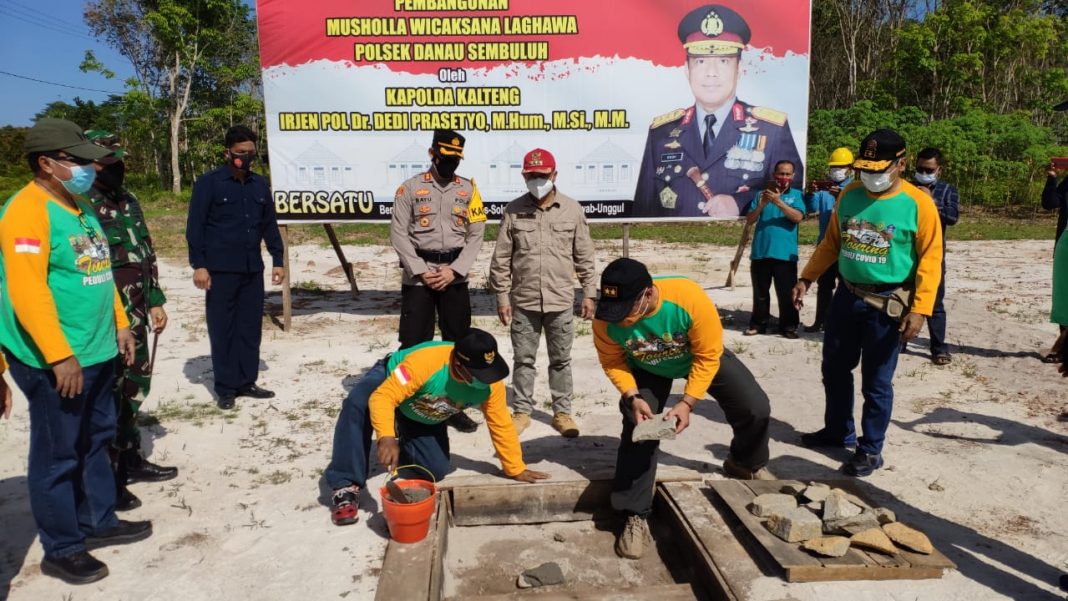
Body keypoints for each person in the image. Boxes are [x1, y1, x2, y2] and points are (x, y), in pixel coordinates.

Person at [0, 118, 152, 584]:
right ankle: (62, 546)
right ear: (46, 163)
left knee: (97, 436)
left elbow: (98, 272)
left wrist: (122, 325)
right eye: (78, 159)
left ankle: (98, 521)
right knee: (58, 452)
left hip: (97, 349)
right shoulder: (26, 211)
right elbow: (27, 292)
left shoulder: (78, 204)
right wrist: (59, 355)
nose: (89, 166)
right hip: (55, 360)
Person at [593, 258, 773, 559]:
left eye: (627, 309)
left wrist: (688, 401)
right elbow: (612, 361)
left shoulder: (688, 298)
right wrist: (632, 395)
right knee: (641, 426)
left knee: (754, 407)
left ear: (648, 294)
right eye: (616, 311)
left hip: (696, 358)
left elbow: (707, 355)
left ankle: (745, 462)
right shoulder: (605, 319)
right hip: (646, 366)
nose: (621, 320)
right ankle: (633, 513)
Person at [792, 129, 943, 478]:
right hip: (846, 296)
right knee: (834, 368)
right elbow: (831, 243)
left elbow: (931, 261)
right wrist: (806, 278)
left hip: (886, 304)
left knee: (876, 381)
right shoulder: (850, 193)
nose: (871, 175)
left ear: (901, 164)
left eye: (879, 168)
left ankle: (870, 448)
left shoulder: (919, 204)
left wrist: (920, 309)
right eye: (866, 168)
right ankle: (837, 430)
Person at [324, 329, 550, 526]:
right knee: (358, 404)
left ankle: (405, 429)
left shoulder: (490, 384)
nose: (486, 380)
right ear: (457, 363)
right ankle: (346, 483)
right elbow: (383, 397)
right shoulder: (425, 362)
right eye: (478, 375)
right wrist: (385, 437)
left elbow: (500, 423)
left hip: (423, 408)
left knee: (435, 470)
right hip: (392, 380)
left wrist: (515, 468)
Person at [633, 4, 803, 218]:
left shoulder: (773, 130)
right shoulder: (661, 133)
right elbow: (642, 212)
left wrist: (741, 202)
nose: (711, 73)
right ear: (687, 70)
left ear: (739, 69)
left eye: (723, 61)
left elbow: (794, 193)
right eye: (701, 61)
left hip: (740, 243)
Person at [85, 130, 178, 511]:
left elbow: (145, 253)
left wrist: (155, 299)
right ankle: (109, 479)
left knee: (135, 389)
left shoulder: (128, 201)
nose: (117, 168)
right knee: (108, 396)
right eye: (110, 162)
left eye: (120, 160)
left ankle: (130, 458)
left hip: (138, 314)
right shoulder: (82, 207)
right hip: (106, 320)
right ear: (91, 164)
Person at [489, 148, 597, 438]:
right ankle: (522, 411)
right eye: (531, 175)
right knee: (524, 359)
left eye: (542, 175)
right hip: (523, 301)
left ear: (554, 175)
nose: (537, 180)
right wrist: (501, 297)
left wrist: (589, 293)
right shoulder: (513, 210)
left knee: (561, 360)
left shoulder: (572, 210)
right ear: (525, 176)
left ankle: (562, 412)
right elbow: (500, 259)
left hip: (560, 300)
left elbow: (584, 256)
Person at [390, 129, 486, 433]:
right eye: (445, 157)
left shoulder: (469, 190)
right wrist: (420, 270)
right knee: (414, 343)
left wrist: (455, 270)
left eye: (455, 159)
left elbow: (476, 233)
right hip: (419, 277)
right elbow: (398, 234)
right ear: (433, 154)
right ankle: (406, 404)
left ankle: (452, 406)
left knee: (457, 342)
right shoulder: (409, 189)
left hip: (454, 276)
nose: (450, 164)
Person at [186, 125, 284, 410]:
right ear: (227, 152)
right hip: (219, 270)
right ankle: (226, 387)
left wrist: (278, 259)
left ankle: (246, 381)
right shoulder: (209, 183)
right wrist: (199, 265)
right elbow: (195, 227)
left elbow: (269, 224)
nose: (247, 158)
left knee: (250, 327)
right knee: (223, 328)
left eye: (252, 153)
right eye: (241, 153)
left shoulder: (259, 184)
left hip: (252, 269)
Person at [744, 160, 805, 338]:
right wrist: (763, 203)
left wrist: (779, 202)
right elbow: (750, 219)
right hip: (761, 252)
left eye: (787, 174)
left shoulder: (797, 195)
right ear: (774, 175)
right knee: (760, 293)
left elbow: (797, 217)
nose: (783, 177)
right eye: (781, 173)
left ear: (793, 177)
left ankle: (788, 326)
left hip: (785, 254)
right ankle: (758, 324)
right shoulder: (760, 195)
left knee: (787, 293)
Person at [912, 147, 959, 365]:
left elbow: (952, 217)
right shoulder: (906, 188)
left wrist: (931, 202)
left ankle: (938, 348)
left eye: (928, 169)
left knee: (934, 301)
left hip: (933, 253)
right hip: (906, 252)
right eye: (920, 168)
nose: (923, 172)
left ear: (938, 169)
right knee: (903, 298)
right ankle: (899, 341)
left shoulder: (948, 190)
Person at [803, 147, 854, 332]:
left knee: (847, 288)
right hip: (826, 246)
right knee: (824, 285)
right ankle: (820, 321)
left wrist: (841, 196)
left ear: (850, 168)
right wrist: (809, 193)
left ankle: (842, 324)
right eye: (833, 167)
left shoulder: (855, 189)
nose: (836, 171)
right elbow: (811, 208)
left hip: (848, 247)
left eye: (841, 167)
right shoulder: (824, 192)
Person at [1042, 156, 1068, 364]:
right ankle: (1062, 350)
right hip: (1065, 244)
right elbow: (1049, 203)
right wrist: (1052, 179)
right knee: (1063, 296)